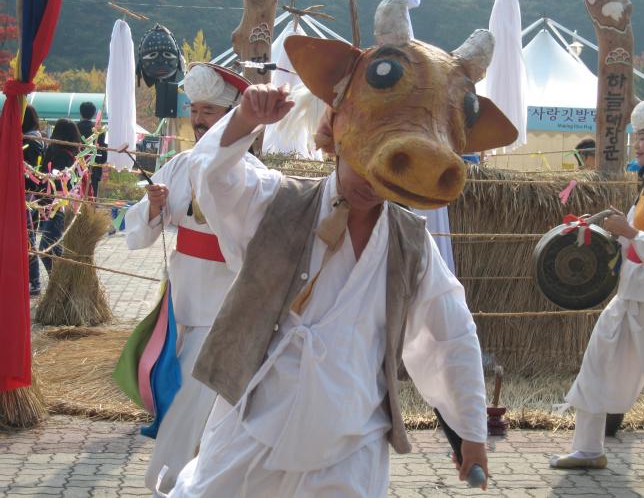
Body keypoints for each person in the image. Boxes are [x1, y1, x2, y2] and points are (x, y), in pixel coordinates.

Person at [166, 83, 488, 497]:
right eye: (362, 160)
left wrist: (471, 432)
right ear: (336, 141)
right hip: (257, 420)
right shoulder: (278, 201)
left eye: (384, 167)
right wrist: (245, 118)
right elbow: (214, 178)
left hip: (353, 437)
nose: (370, 180)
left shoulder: (410, 243)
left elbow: (450, 335)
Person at [550, 99, 644, 470]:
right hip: (632, 294)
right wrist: (601, 230)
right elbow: (633, 241)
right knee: (597, 363)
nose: (637, 145)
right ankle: (588, 449)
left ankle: (589, 449)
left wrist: (630, 230)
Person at [124, 63, 250, 495]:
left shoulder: (251, 175)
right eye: (194, 110)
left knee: (195, 410)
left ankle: (174, 485)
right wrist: (153, 207)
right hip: (181, 311)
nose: (198, 120)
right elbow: (135, 233)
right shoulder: (177, 167)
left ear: (233, 116)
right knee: (178, 400)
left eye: (209, 111)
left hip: (230, 313)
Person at [37, 118, 81, 275]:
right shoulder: (68, 153)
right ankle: (59, 283)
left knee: (46, 247)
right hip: (58, 205)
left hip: (59, 206)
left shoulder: (61, 155)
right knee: (54, 246)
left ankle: (59, 281)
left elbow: (57, 182)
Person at [22, 104, 45, 296]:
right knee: (28, 239)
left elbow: (31, 172)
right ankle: (33, 281)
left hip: (27, 197)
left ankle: (34, 281)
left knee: (27, 239)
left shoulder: (29, 140)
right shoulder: (39, 136)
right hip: (35, 197)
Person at [76, 101, 108, 197]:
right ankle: (89, 210)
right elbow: (103, 148)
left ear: (81, 113)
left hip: (77, 164)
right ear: (94, 113)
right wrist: (101, 161)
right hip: (94, 164)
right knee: (92, 193)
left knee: (76, 190)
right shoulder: (98, 129)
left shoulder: (75, 127)